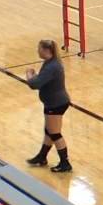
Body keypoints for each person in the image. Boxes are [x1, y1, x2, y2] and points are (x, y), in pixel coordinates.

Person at [24, 39, 72, 172]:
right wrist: (35, 77)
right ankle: (42, 156)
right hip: (52, 102)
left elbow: (35, 84)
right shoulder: (50, 63)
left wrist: (29, 75)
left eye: (39, 49)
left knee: (55, 133)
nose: (37, 51)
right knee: (49, 131)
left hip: (56, 104)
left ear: (46, 50)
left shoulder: (52, 66)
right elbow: (42, 80)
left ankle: (65, 163)